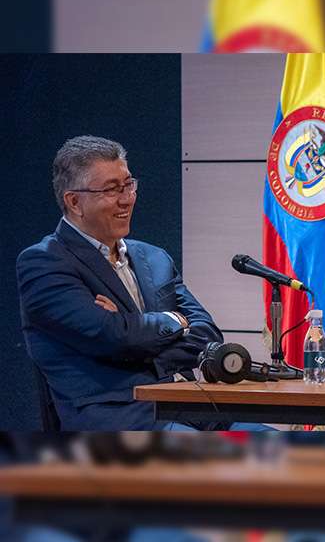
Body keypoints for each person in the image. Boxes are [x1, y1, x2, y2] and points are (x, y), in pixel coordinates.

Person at [16, 136, 222, 430]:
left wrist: (131, 331)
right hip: (117, 419)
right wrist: (175, 320)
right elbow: (110, 335)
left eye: (128, 185)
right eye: (112, 189)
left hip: (189, 404)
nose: (126, 199)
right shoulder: (44, 262)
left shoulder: (154, 257)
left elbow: (207, 335)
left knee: (275, 444)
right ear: (74, 202)